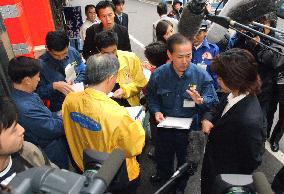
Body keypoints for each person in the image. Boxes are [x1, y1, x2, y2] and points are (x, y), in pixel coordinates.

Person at [62, 54, 145, 194]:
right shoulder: (117, 114)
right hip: (117, 174)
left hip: (85, 166)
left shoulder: (70, 100)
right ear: (111, 78)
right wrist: (136, 124)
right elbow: (135, 146)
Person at [147, 33, 218, 193]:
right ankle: (162, 178)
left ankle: (179, 189)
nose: (185, 61)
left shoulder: (200, 75)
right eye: (180, 57)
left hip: (189, 131)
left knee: (185, 165)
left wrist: (201, 101)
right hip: (165, 128)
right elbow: (152, 97)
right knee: (163, 159)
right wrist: (156, 111)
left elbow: (212, 101)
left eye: (189, 56)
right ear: (169, 54)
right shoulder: (159, 74)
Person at [200, 48, 266, 194]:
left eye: (220, 77)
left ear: (234, 79)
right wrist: (207, 119)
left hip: (226, 180)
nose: (217, 80)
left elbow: (251, 160)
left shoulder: (249, 121)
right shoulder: (233, 94)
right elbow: (216, 110)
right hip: (212, 166)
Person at [8, 56, 69, 169]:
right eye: (37, 76)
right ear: (27, 80)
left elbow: (48, 116)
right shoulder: (25, 108)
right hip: (50, 153)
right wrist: (70, 114)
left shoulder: (27, 94)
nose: (39, 79)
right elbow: (52, 128)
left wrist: (59, 113)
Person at [0, 97, 56, 185]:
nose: (22, 129)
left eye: (17, 123)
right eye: (13, 129)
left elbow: (56, 177)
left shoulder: (28, 151)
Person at [36, 31, 86, 112]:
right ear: (48, 49)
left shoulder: (72, 52)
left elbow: (83, 69)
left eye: (64, 53)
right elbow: (37, 93)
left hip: (79, 97)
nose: (61, 57)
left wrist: (77, 81)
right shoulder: (40, 66)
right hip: (60, 107)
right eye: (56, 55)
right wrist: (54, 86)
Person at [95, 30, 147, 107]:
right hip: (105, 105)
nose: (111, 56)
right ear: (99, 50)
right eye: (106, 53)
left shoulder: (131, 58)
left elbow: (141, 83)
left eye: (114, 51)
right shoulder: (95, 64)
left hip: (128, 104)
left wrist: (124, 90)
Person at [192, 20, 219, 90]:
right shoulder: (185, 46)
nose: (194, 37)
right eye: (193, 33)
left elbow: (215, 74)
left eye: (198, 34)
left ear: (205, 32)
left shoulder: (213, 49)